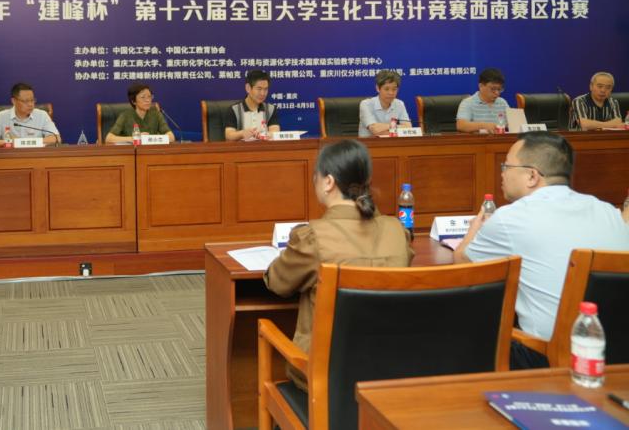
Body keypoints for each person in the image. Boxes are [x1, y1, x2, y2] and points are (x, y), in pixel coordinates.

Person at [454, 131, 629, 369]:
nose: (502, 173)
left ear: (532, 176)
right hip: (615, 354)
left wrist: (475, 228)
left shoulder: (510, 218)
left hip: (547, 358)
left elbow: (463, 265)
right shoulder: (608, 212)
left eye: (507, 166)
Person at [264, 139, 412, 389]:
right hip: (388, 374)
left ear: (329, 182)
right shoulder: (397, 231)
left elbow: (278, 282)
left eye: (316, 176)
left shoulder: (314, 237)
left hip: (326, 379)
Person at [0, 82, 60, 146]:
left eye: (32, 100)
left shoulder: (42, 115)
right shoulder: (2, 116)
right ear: (13, 101)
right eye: (25, 101)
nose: (30, 104)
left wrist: (26, 142)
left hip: (36, 156)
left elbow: (56, 138)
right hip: (11, 157)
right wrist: (11, 142)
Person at [105, 82, 174, 144]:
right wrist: (134, 138)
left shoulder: (156, 115)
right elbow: (109, 138)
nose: (148, 100)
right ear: (133, 101)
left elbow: (171, 137)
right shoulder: (125, 116)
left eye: (149, 96)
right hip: (131, 152)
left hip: (151, 151)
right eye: (143, 97)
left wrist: (149, 139)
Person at [223, 69, 281, 141]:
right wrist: (242, 133)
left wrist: (265, 135)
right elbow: (228, 135)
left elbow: (275, 132)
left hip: (264, 147)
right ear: (248, 88)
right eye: (259, 89)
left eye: (265, 89)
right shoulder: (234, 110)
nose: (263, 93)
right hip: (242, 147)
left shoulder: (271, 109)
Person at [359, 69, 412, 137]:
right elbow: (375, 130)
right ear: (378, 88)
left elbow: (408, 127)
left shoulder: (399, 104)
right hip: (369, 143)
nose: (391, 93)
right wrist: (397, 128)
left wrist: (386, 127)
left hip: (392, 142)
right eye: (386, 89)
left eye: (394, 89)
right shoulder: (366, 104)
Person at [456, 68, 510, 133]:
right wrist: (485, 126)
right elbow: (461, 125)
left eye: (499, 89)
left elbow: (511, 123)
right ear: (481, 86)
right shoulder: (468, 103)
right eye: (493, 89)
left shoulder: (502, 103)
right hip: (478, 139)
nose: (497, 93)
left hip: (500, 138)